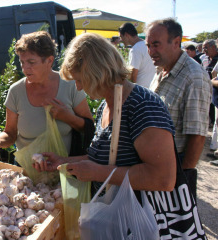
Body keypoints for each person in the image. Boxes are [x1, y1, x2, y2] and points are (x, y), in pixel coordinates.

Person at [34, 32, 206, 239]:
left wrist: (98, 173)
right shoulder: (104, 106)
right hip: (117, 222)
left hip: (144, 223)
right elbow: (103, 159)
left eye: (79, 80)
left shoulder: (142, 106)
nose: (78, 87)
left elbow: (163, 178)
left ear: (96, 71)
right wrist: (64, 162)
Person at [0, 31, 93, 156]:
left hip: (64, 171)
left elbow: (89, 128)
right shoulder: (16, 91)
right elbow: (10, 134)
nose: (25, 68)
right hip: (27, 173)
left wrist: (67, 117)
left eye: (31, 62)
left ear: (49, 60)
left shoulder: (70, 85)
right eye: (22, 62)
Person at [147, 18, 212, 198]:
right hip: (154, 168)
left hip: (173, 173)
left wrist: (180, 181)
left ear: (176, 42)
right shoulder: (162, 69)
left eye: (156, 45)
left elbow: (197, 138)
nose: (150, 51)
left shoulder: (194, 77)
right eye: (148, 45)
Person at [118, 23, 156, 88]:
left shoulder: (135, 49)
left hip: (140, 90)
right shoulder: (146, 45)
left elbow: (133, 74)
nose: (121, 40)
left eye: (121, 37)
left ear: (126, 35)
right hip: (151, 87)